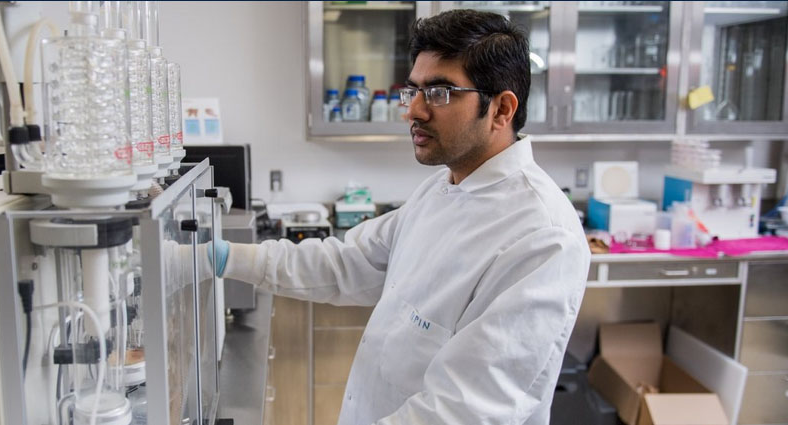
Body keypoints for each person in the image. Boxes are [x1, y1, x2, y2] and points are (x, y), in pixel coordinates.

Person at [215, 9, 589, 425]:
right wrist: (227, 258)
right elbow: (344, 263)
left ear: (501, 109)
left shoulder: (542, 236)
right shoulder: (442, 188)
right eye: (411, 91)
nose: (412, 111)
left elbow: (463, 410)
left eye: (440, 92)